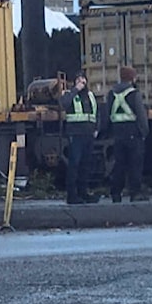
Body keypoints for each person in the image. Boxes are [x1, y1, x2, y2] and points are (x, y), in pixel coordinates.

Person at [103, 66, 149, 203]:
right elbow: (141, 116)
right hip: (133, 133)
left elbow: (107, 114)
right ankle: (135, 193)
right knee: (135, 164)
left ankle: (116, 193)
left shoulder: (112, 93)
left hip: (118, 133)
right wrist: (144, 132)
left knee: (119, 165)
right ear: (132, 78)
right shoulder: (134, 94)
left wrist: (106, 131)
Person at [59, 70, 100, 204]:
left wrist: (96, 128)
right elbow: (64, 104)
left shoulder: (90, 95)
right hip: (75, 134)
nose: (81, 82)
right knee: (74, 164)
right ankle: (72, 195)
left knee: (85, 165)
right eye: (78, 80)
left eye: (83, 79)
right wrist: (75, 89)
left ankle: (83, 193)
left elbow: (97, 112)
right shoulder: (70, 94)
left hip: (88, 134)